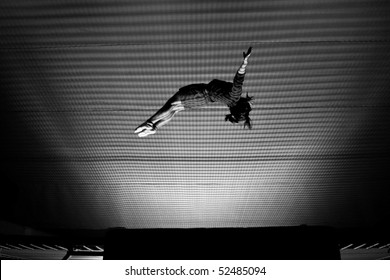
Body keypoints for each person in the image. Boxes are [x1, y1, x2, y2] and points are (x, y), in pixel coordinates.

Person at [135, 47, 253, 137]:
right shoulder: (231, 103)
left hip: (200, 94)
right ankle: (154, 128)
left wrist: (245, 63)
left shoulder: (235, 96)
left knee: (172, 105)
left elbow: (239, 79)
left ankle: (149, 123)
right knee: (174, 109)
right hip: (202, 99)